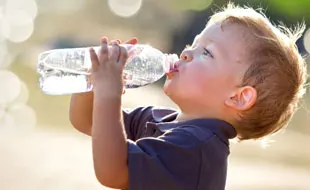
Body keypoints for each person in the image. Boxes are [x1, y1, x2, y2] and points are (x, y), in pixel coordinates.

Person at [69, 3, 307, 190]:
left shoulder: (197, 148)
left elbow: (112, 171)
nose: (185, 53)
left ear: (238, 97)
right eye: (192, 44)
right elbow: (87, 120)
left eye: (206, 52)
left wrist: (109, 94)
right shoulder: (164, 120)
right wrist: (93, 80)